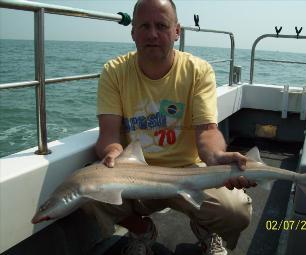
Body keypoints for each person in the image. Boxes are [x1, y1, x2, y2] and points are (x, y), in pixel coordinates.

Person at [92, 0, 256, 254]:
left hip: (188, 171)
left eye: (161, 25)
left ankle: (206, 230)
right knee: (85, 193)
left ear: (177, 31)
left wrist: (216, 157)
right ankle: (141, 229)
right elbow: (109, 135)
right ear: (133, 32)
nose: (153, 34)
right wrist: (112, 152)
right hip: (136, 173)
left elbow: (207, 131)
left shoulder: (198, 71)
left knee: (235, 211)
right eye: (144, 26)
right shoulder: (114, 72)